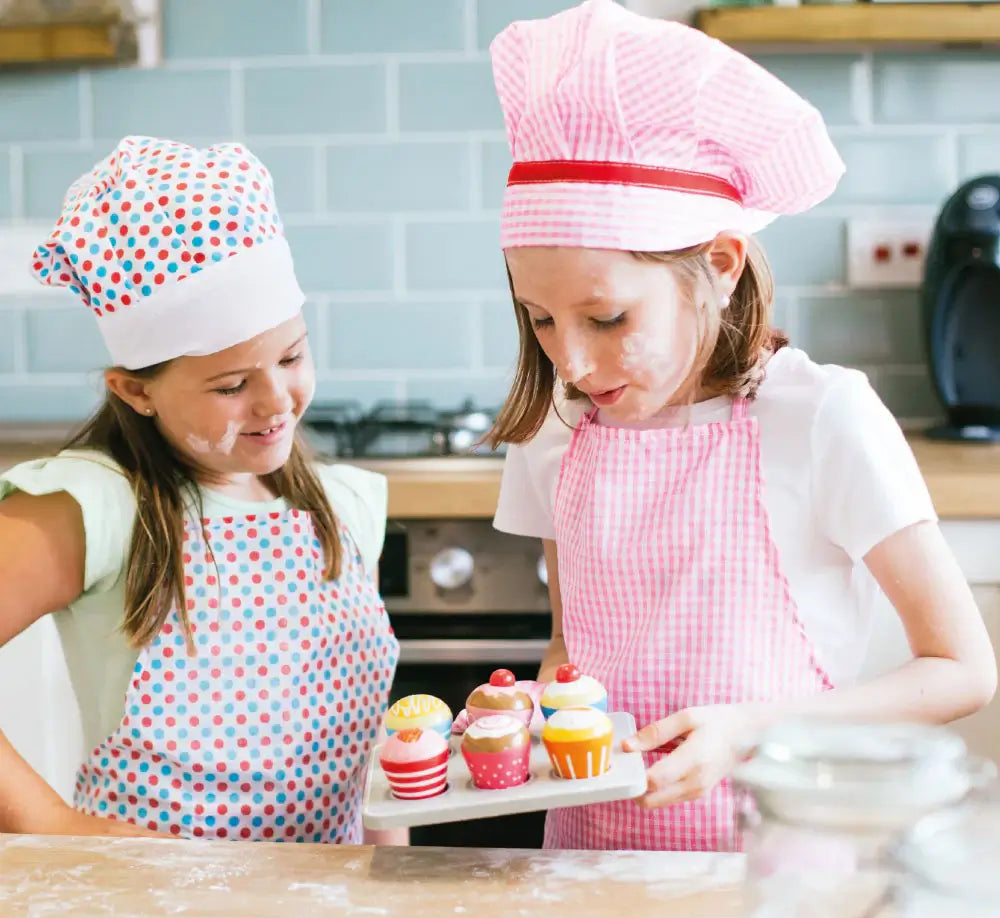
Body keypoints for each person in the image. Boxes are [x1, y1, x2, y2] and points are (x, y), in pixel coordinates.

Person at [487, 0, 996, 852]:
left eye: (606, 319)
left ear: (718, 266)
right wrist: (530, 721)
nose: (569, 362)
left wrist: (752, 727)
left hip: (776, 872)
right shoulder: (558, 431)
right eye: (539, 318)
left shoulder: (822, 418)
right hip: (587, 868)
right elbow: (572, 649)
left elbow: (962, 670)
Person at [0, 136, 402, 844]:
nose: (276, 401)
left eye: (292, 355)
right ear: (135, 390)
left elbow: (371, 776)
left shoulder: (342, 508)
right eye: (231, 384)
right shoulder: (99, 504)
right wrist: (48, 823)